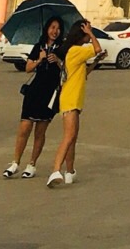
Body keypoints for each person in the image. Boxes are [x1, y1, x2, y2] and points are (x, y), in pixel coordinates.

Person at [4, 16, 66, 180]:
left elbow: (67, 71)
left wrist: (58, 61)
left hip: (50, 93)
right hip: (34, 91)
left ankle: (32, 164)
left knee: (40, 131)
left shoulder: (62, 49)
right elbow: (28, 68)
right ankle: (15, 162)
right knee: (24, 127)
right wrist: (40, 59)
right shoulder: (39, 47)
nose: (55, 31)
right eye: (52, 27)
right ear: (47, 29)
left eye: (58, 28)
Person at [45, 18, 101, 187]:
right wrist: (90, 33)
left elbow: (83, 74)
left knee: (72, 137)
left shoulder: (75, 53)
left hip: (74, 99)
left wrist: (96, 62)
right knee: (69, 136)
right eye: (88, 32)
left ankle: (70, 171)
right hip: (70, 99)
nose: (90, 35)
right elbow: (97, 48)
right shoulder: (76, 50)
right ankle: (55, 170)